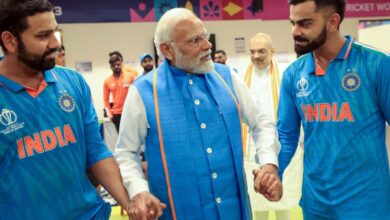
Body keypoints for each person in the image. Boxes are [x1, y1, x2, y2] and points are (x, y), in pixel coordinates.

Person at [115, 8, 282, 220]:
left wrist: (268, 163)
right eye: (195, 40)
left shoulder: (227, 77)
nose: (208, 45)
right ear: (167, 50)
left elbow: (262, 123)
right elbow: (126, 152)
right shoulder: (143, 91)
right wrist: (139, 190)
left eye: (205, 35)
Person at [0, 0, 132, 219]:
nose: (55, 44)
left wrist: (128, 203)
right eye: (43, 36)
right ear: (10, 41)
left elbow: (96, 151)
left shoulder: (73, 82)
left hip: (90, 214)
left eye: (55, 32)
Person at [277, 0, 390, 219]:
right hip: (315, 204)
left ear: (332, 22)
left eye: (305, 23)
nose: (295, 31)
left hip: (368, 205)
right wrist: (273, 170)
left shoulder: (377, 64)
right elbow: (286, 135)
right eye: (292, 23)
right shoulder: (293, 74)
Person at [243, 33, 303, 220]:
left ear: (272, 52)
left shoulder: (286, 74)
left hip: (283, 146)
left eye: (261, 51)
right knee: (256, 202)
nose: (256, 56)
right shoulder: (241, 77)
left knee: (282, 201)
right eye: (252, 52)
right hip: (250, 150)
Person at [103, 53, 136, 132]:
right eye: (114, 65)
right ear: (111, 67)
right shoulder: (107, 81)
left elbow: (137, 93)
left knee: (134, 137)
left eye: (118, 64)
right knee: (122, 139)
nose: (116, 66)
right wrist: (109, 114)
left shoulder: (130, 76)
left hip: (131, 111)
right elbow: (105, 100)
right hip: (117, 114)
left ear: (121, 63)